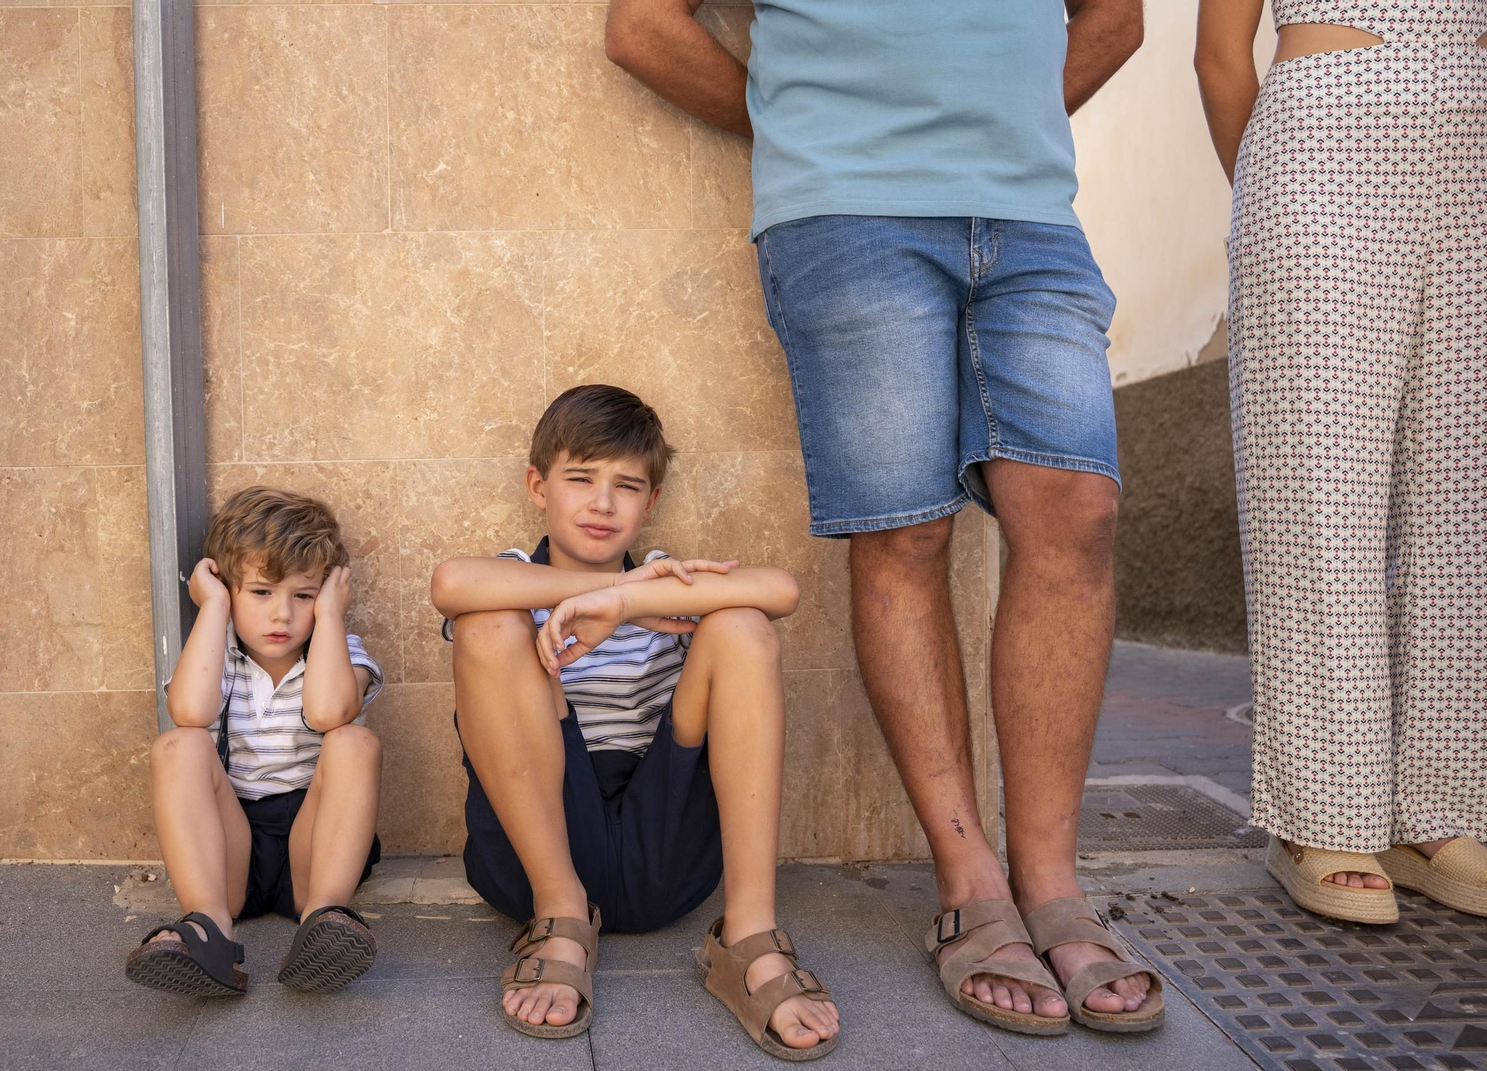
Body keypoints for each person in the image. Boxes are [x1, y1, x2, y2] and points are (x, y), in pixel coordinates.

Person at [605, 0, 1160, 1035]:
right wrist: (803, 127)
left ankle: (1053, 887)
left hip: (1030, 212)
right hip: (848, 210)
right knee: (905, 529)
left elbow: (1115, 19)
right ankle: (970, 888)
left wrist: (1001, 122)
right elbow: (643, 27)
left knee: (1076, 511)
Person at [430, 384, 841, 1059]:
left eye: (626, 486)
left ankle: (749, 937)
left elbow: (780, 591)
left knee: (742, 626)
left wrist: (630, 602)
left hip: (663, 846)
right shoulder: (515, 575)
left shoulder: (662, 581)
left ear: (650, 503)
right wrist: (608, 591)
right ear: (537, 486)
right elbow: (451, 584)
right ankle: (561, 918)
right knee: (488, 626)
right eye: (581, 478)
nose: (603, 502)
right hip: (533, 859)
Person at [1197, 0, 1487, 923]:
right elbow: (1219, 54)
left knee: (1464, 501)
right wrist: (1274, 194)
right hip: (1325, 137)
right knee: (1318, 491)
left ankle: (1434, 809)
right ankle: (1321, 813)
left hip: (1474, 144)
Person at [125, 486, 386, 995]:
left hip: (314, 845)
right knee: (179, 745)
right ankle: (209, 929)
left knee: (354, 742)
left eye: (303, 595)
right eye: (261, 592)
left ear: (328, 594)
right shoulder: (214, 653)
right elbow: (190, 712)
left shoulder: (341, 651)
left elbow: (329, 712)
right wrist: (213, 607)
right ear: (229, 589)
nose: (282, 614)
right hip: (230, 849)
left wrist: (332, 618)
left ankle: (323, 921)